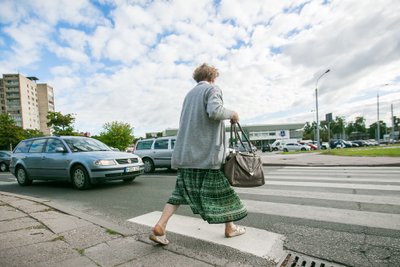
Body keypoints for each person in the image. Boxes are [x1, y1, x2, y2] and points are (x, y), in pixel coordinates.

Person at [149, 63, 247, 245]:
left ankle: (160, 226)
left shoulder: (189, 95)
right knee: (224, 194)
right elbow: (215, 111)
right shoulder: (212, 89)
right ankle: (231, 228)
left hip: (186, 156)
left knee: (178, 194)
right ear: (213, 77)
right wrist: (232, 113)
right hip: (205, 156)